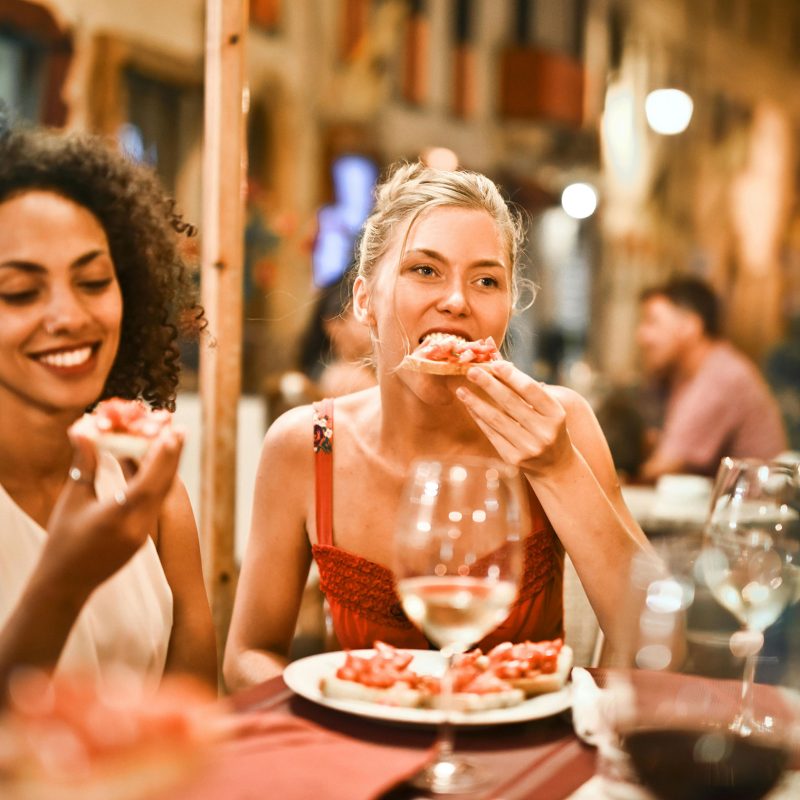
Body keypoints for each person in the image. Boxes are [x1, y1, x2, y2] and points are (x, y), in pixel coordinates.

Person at [224, 162, 650, 687]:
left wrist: (557, 466)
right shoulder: (308, 445)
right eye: (424, 270)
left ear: (508, 308)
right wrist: (324, 707)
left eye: (486, 280)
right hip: (367, 750)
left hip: (527, 754)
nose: (457, 301)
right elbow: (246, 654)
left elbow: (655, 642)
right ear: (364, 302)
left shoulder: (562, 423)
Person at [0, 121, 217, 698]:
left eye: (94, 281)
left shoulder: (151, 488)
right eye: (19, 292)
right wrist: (61, 585)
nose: (69, 316)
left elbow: (189, 717)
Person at [636, 277, 787, 482]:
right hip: (727, 504)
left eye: (652, 321)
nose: (642, 335)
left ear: (690, 326)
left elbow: (664, 467)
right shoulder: (687, 374)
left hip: (753, 507)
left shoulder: (720, 377)